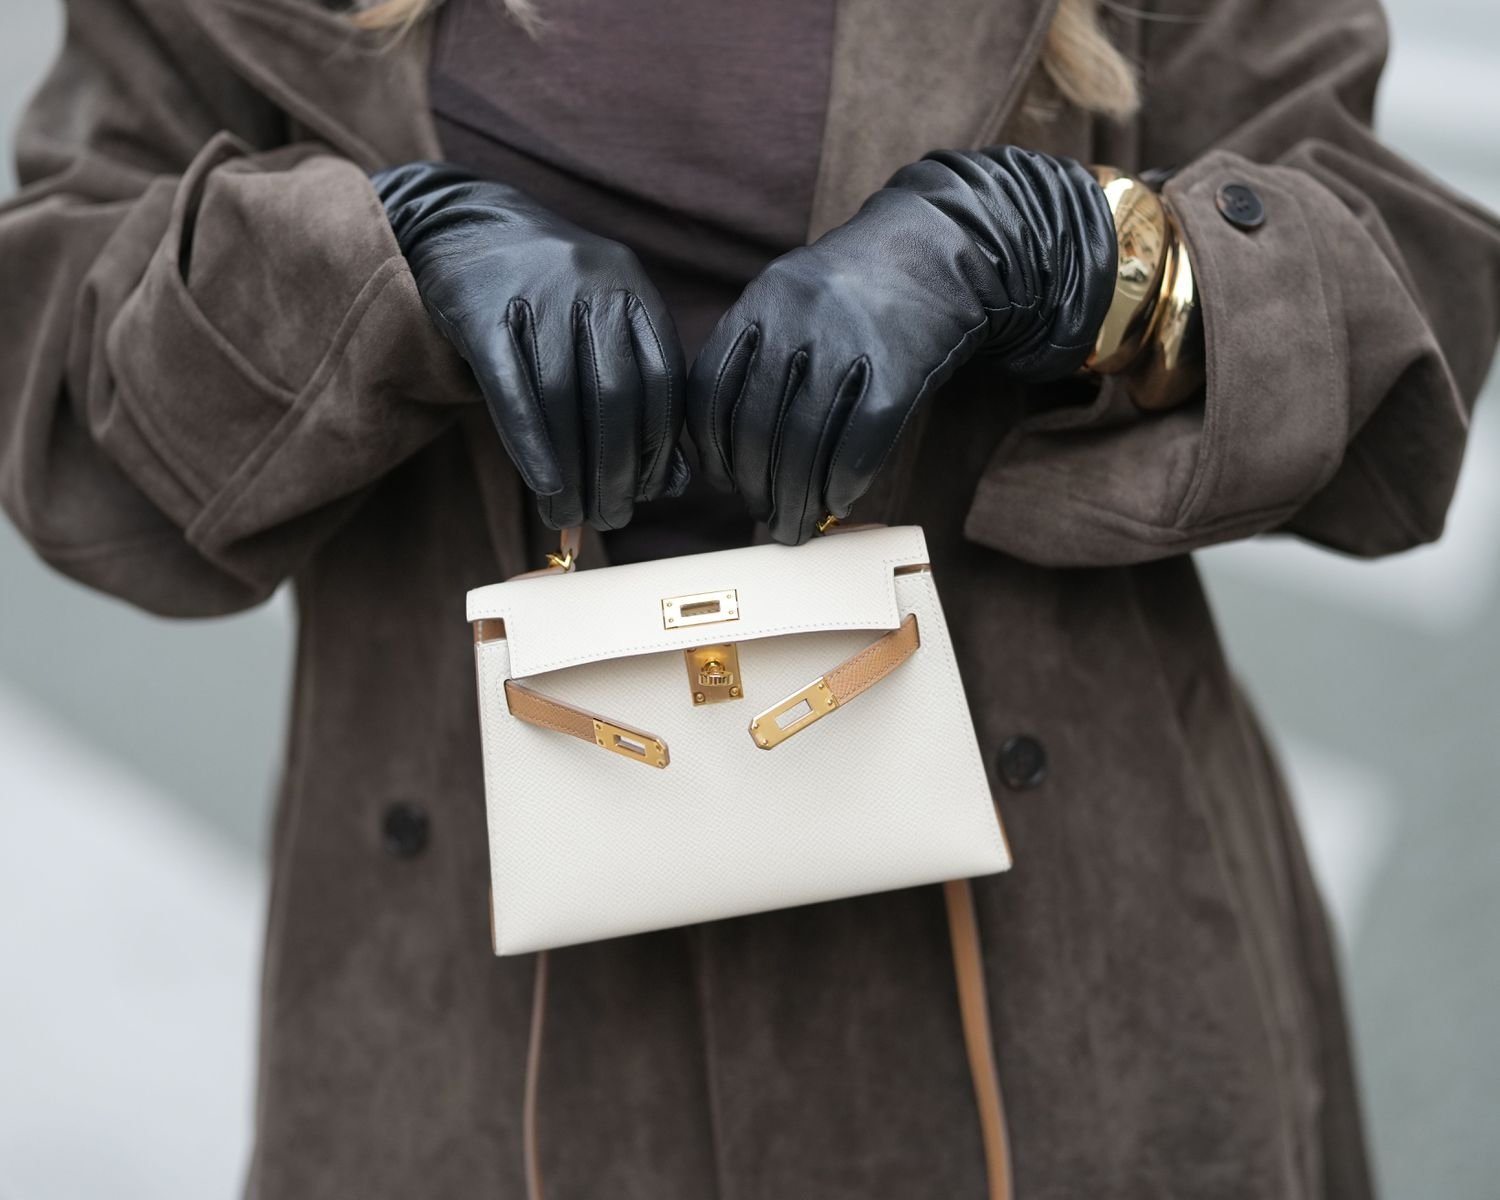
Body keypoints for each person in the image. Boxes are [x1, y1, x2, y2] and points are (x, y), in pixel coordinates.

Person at [2, 0, 1497, 1195]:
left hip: (1056, 990)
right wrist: (368, 263)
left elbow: (1401, 288)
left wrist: (1083, 259)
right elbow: (62, 391)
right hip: (471, 1027)